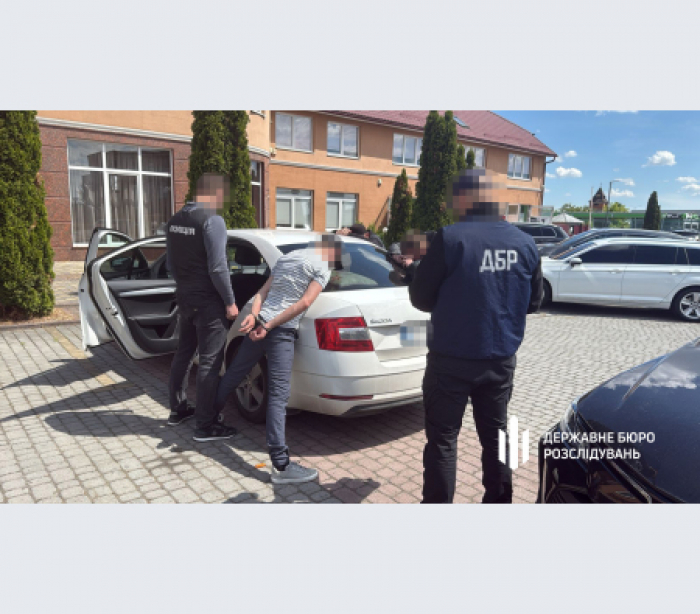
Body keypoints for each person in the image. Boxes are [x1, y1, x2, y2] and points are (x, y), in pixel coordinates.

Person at [409, 169, 543, 504]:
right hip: (499, 360)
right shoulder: (525, 243)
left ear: (465, 198)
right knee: (497, 438)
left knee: (442, 440)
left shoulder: (450, 238)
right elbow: (534, 303)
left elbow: (421, 298)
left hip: (450, 361)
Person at [213, 234, 341, 484]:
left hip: (260, 323)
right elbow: (305, 301)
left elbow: (262, 292)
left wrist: (255, 317)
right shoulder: (322, 267)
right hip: (279, 331)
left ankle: (209, 418)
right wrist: (269, 326)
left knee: (236, 371)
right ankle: (281, 465)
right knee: (278, 395)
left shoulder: (287, 258)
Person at [165, 173, 239, 442]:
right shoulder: (212, 220)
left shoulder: (175, 221)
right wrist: (230, 302)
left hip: (185, 297)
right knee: (210, 360)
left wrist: (185, 286)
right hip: (208, 301)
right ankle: (206, 426)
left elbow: (171, 264)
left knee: (183, 354)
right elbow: (218, 268)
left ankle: (178, 410)